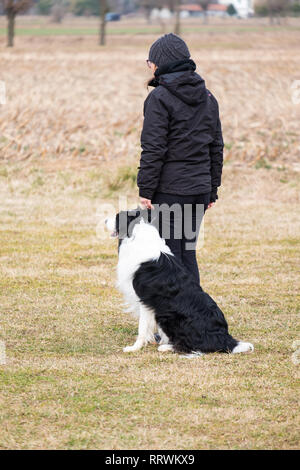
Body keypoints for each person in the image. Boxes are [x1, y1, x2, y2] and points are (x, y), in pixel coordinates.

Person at [137, 33, 224, 284]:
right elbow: (216, 147)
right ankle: (196, 317)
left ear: (160, 63)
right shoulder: (208, 97)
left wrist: (146, 189)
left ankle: (180, 319)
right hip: (198, 189)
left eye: (150, 61)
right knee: (187, 254)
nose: (149, 66)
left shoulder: (159, 98)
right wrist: (211, 190)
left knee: (171, 258)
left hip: (171, 190)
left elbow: (153, 148)